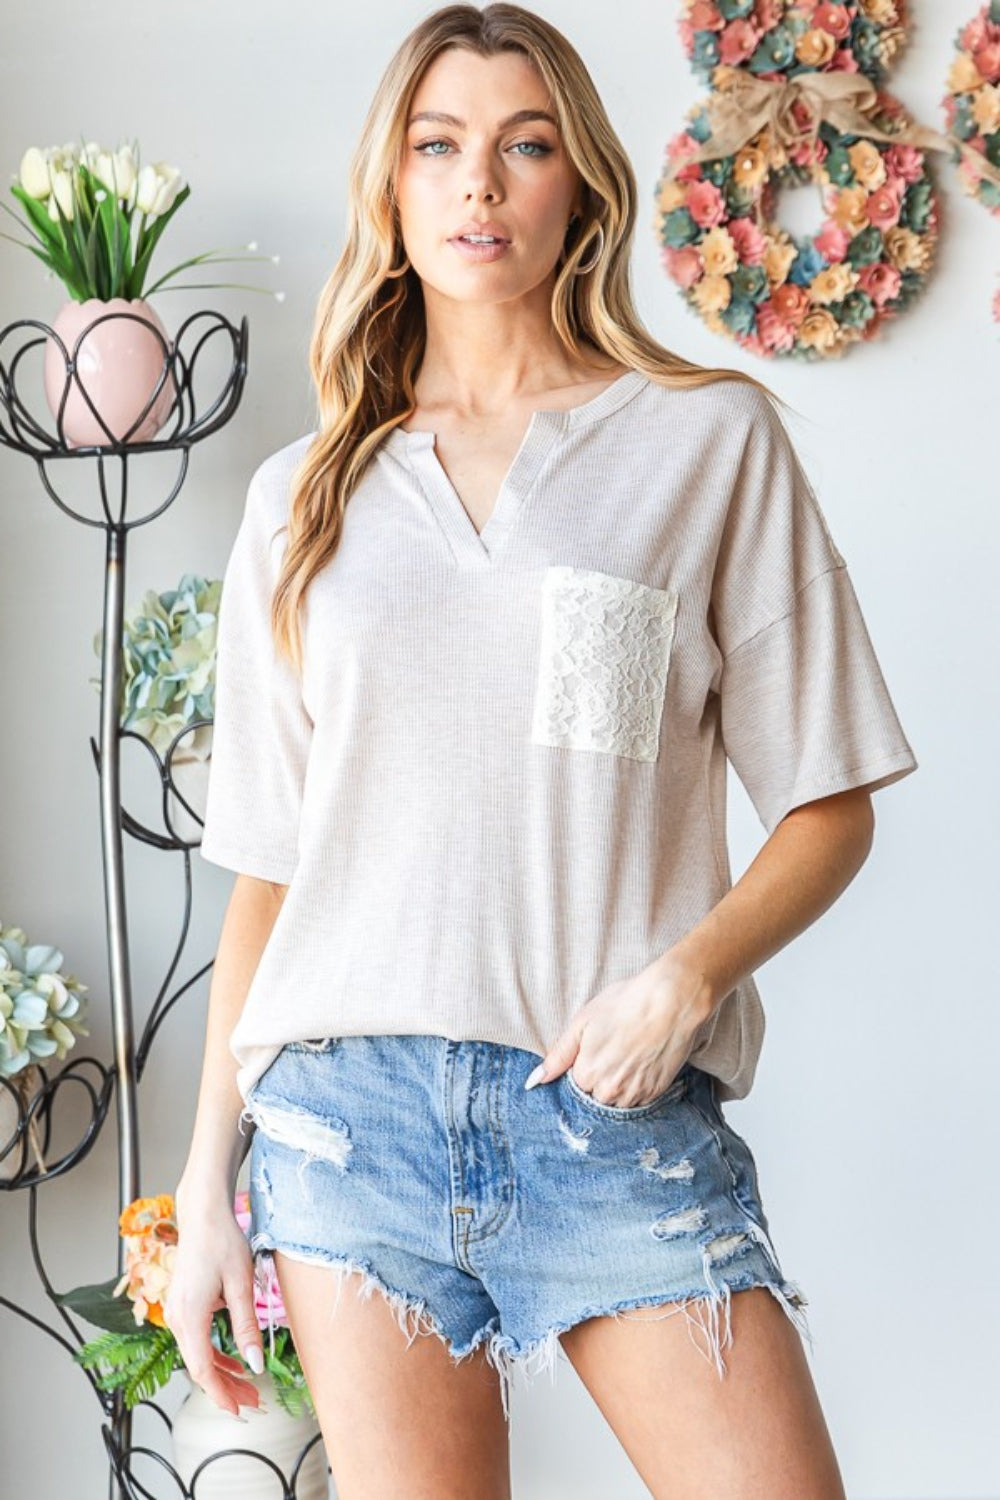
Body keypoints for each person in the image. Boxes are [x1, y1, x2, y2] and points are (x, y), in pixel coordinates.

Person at [165, 5, 918, 1497]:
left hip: (612, 1117)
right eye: (437, 147)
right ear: (389, 186)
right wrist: (206, 1194)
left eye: (524, 147)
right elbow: (268, 871)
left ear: (581, 184)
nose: (478, 186)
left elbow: (831, 805)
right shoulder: (302, 499)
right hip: (344, 1130)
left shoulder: (706, 446)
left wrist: (687, 976)